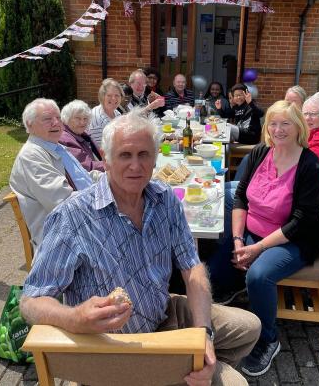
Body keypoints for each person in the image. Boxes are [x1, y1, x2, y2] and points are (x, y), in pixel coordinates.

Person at [20, 109, 261, 385]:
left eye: (144, 154)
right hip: (118, 346)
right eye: (125, 155)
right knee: (236, 384)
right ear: (106, 159)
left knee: (250, 328)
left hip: (163, 313)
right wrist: (75, 317)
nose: (135, 165)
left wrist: (203, 333)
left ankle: (188, 369)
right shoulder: (73, 216)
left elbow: (192, 267)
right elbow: (31, 301)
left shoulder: (165, 198)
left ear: (156, 157)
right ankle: (177, 373)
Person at [208, 100, 319, 376]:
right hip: (253, 230)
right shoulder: (261, 152)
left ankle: (268, 339)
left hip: (293, 239)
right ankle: (237, 285)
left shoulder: (310, 165)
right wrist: (238, 241)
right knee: (215, 274)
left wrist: (257, 248)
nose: (278, 129)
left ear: (298, 127)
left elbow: (301, 221)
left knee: (259, 275)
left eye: (286, 123)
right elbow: (240, 198)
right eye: (273, 123)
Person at [10, 98, 102, 248]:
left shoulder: (55, 146)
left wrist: (112, 179)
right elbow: (64, 202)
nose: (56, 123)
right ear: (29, 124)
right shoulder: (32, 157)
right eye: (47, 119)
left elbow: (83, 176)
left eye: (58, 118)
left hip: (83, 219)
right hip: (62, 237)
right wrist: (103, 197)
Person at [60, 99, 105, 172]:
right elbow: (87, 167)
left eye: (85, 119)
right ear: (67, 118)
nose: (82, 122)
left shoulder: (82, 133)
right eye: (78, 118)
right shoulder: (65, 139)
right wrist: (113, 165)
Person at [89, 78, 124, 146]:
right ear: (102, 96)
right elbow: (98, 149)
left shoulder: (117, 113)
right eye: (109, 95)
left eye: (117, 95)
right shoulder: (96, 118)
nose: (113, 98)